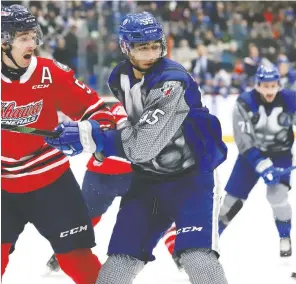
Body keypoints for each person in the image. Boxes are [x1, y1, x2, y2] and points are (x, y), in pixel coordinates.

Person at [45, 12, 228, 283]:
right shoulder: (119, 77)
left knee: (196, 258)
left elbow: (141, 146)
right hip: (148, 182)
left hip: (192, 181)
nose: (151, 53)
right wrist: (92, 132)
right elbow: (132, 130)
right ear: (125, 47)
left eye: (155, 45)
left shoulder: (171, 82)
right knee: (118, 264)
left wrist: (91, 137)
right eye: (143, 47)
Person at [1, 4, 111, 283]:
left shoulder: (50, 74)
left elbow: (99, 113)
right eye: (23, 37)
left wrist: (86, 130)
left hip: (52, 183)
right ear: (3, 42)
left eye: (32, 35)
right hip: (3, 185)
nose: (32, 44)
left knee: (79, 262)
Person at [217, 64, 296, 257]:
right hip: (251, 155)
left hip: (281, 154)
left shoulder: (292, 101)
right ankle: (211, 240)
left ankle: (285, 236)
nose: (269, 90)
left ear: (279, 84)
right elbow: (243, 142)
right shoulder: (243, 103)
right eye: (265, 86)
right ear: (257, 85)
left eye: (273, 85)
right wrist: (262, 165)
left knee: (276, 196)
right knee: (230, 202)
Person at [44, 103, 133, 274]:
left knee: (86, 219)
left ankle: (63, 253)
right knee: (152, 215)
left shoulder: (114, 109)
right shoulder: (150, 109)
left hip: (99, 173)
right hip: (130, 175)